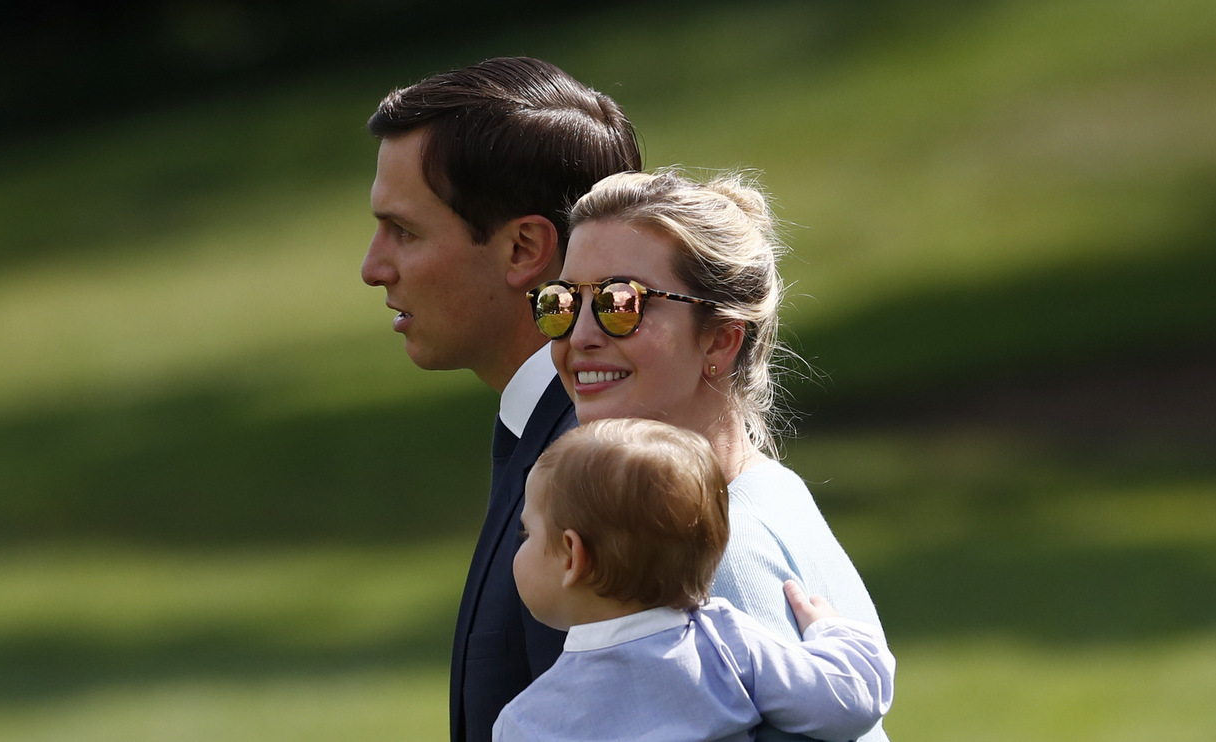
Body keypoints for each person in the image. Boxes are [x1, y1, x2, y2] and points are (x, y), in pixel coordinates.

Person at [529, 168, 894, 741]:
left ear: (720, 339)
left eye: (620, 303)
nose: (578, 336)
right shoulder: (767, 489)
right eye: (562, 302)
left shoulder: (705, 556)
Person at [361, 57, 642, 742]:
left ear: (523, 249)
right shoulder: (554, 433)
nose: (374, 267)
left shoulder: (594, 473)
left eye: (405, 231)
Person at [494, 418, 894, 742]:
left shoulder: (528, 723)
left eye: (527, 534)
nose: (520, 545)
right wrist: (833, 633)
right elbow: (851, 698)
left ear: (572, 556)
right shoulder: (724, 643)